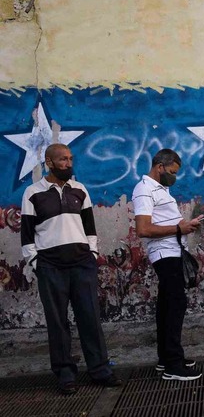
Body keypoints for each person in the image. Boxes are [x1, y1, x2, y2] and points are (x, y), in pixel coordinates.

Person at [20, 143, 122, 394]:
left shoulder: (80, 190)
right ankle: (65, 375)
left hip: (81, 265)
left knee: (90, 319)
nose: (68, 163)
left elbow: (90, 228)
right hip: (50, 267)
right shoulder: (33, 193)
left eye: (70, 159)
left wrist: (92, 254)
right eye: (63, 159)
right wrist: (37, 263)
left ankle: (100, 370)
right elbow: (27, 235)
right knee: (57, 323)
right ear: (49, 162)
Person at [132, 148, 203, 381]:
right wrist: (178, 229)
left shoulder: (162, 190)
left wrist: (186, 224)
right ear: (160, 166)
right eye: (171, 172)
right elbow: (143, 229)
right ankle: (174, 365)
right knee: (175, 304)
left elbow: (168, 221)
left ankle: (166, 358)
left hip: (173, 251)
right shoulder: (144, 189)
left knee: (166, 305)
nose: (173, 176)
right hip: (164, 254)